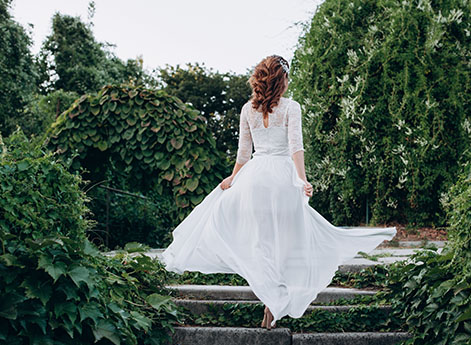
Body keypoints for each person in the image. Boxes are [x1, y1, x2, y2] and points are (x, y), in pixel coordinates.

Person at [160, 55, 397, 330]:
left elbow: (243, 153)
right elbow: (296, 146)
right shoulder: (290, 108)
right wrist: (302, 180)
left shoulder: (247, 109)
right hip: (282, 180)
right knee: (284, 244)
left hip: (254, 180)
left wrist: (235, 178)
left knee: (260, 243)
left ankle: (270, 300)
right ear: (281, 80)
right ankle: (272, 303)